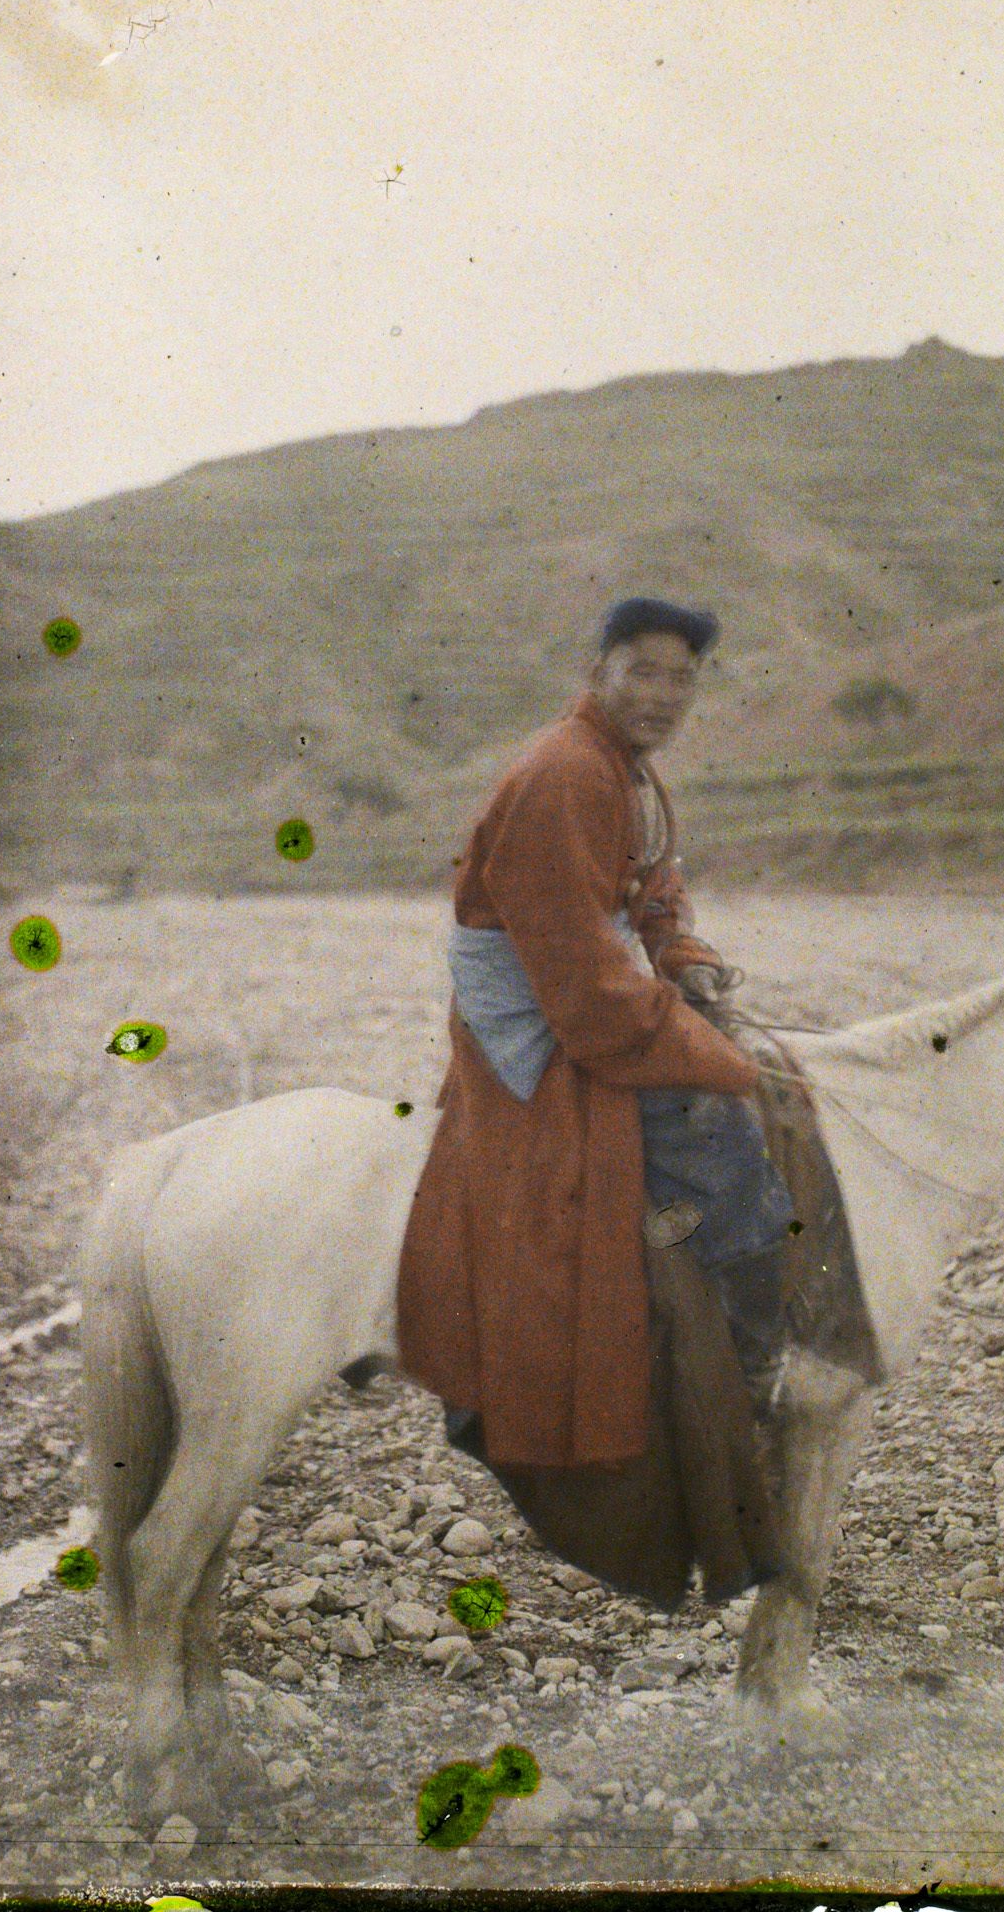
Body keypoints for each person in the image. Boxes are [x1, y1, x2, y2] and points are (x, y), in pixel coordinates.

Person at [396, 597, 795, 1478]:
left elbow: (653, 896)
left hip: (588, 987)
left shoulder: (633, 774)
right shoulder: (567, 772)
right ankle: (740, 1387)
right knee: (726, 1125)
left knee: (754, 1078)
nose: (661, 693)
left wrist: (682, 958)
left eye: (680, 677)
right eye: (642, 670)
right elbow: (581, 973)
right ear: (598, 673)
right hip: (536, 1017)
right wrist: (707, 1053)